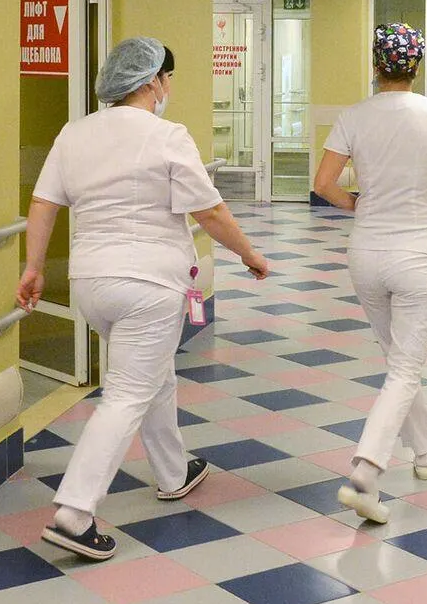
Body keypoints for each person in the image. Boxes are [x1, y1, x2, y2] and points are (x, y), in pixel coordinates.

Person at [18, 36, 269, 560]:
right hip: (148, 284)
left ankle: (174, 472)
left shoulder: (74, 133)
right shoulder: (166, 135)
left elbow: (43, 202)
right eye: (167, 78)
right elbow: (209, 211)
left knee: (153, 373)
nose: (168, 87)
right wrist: (249, 254)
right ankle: (74, 513)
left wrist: (34, 267)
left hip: (92, 284)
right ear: (153, 80)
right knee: (127, 393)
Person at [312, 23, 427, 524]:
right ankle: (365, 471)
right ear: (416, 66)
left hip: (366, 253)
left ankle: (424, 453)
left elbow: (324, 184)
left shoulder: (354, 116)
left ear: (375, 64)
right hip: (418, 254)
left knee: (398, 362)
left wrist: (358, 203)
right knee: (405, 368)